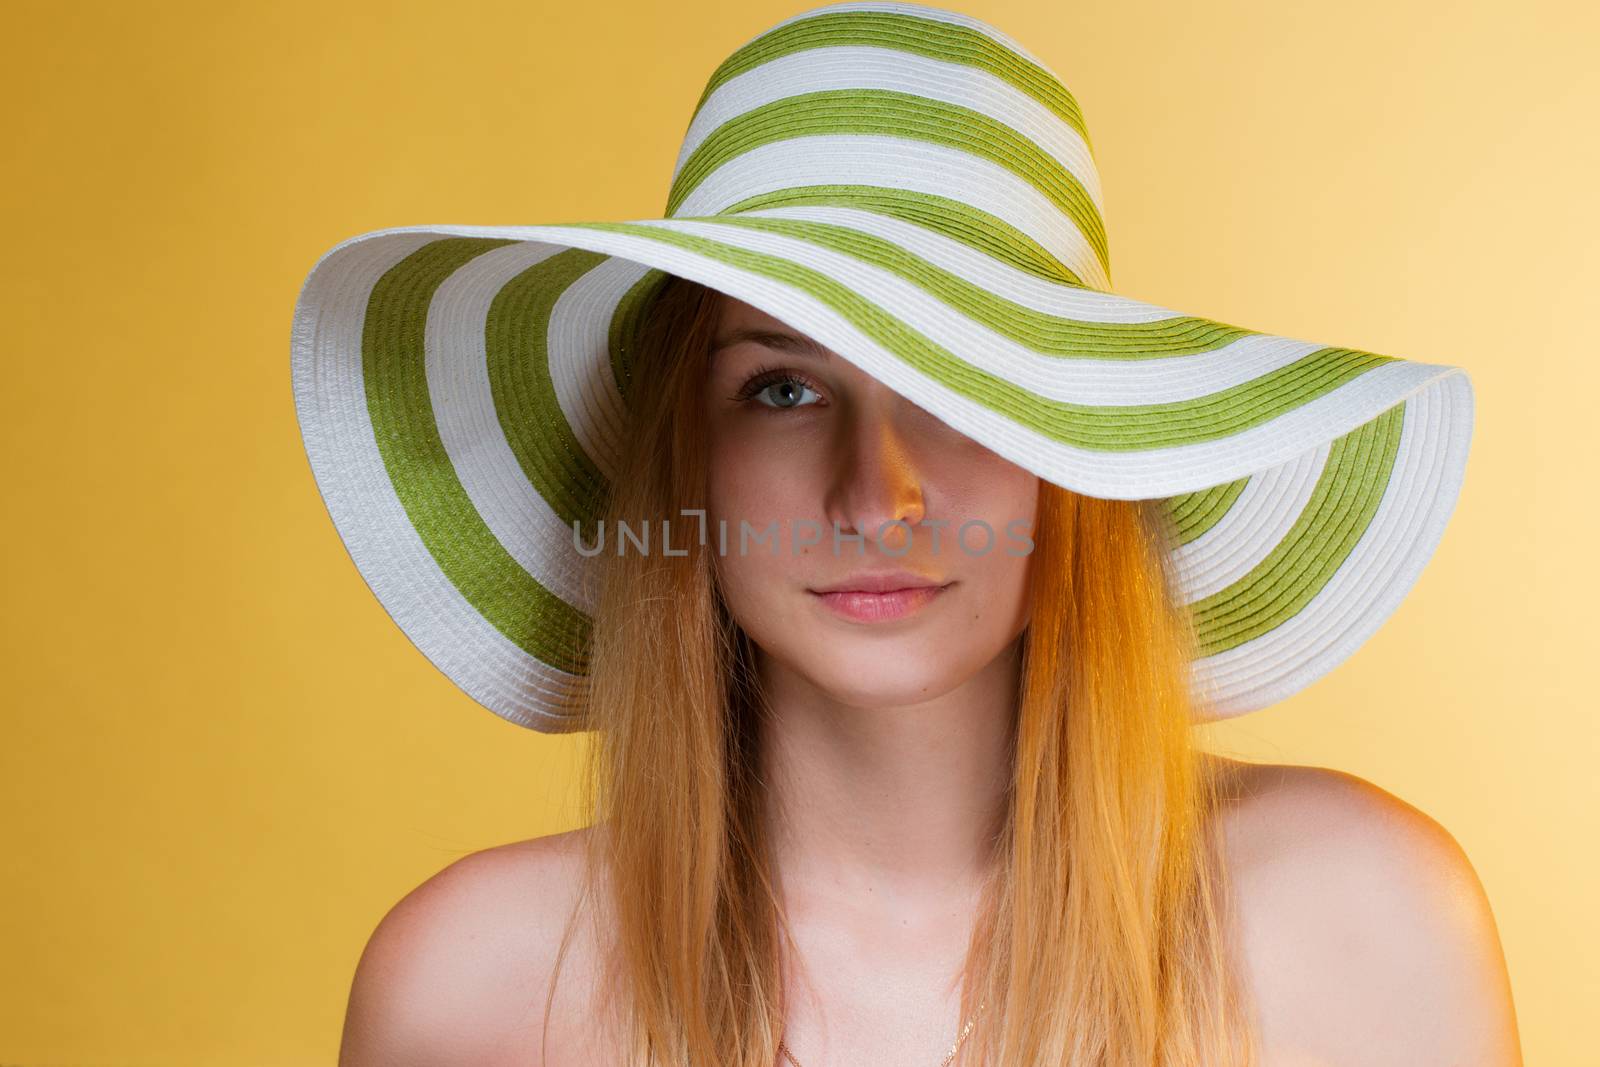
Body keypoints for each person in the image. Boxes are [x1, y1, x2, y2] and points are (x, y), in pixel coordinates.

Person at [294, 3, 1520, 1064]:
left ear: (1076, 457)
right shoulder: (466, 987)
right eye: (782, 388)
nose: (875, 499)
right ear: (687, 456)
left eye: (961, 390)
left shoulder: (1357, 918)